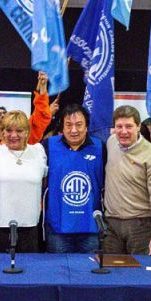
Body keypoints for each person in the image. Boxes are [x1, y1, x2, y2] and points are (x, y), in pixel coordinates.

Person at [41, 104, 106, 253]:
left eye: (79, 124)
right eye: (68, 125)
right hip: (58, 228)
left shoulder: (100, 147)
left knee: (90, 267)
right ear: (62, 127)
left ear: (87, 126)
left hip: (91, 226)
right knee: (58, 267)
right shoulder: (48, 146)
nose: (74, 130)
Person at [103, 105, 151, 256]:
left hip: (141, 227)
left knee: (139, 270)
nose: (123, 131)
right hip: (111, 226)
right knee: (110, 270)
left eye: (129, 126)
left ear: (138, 127)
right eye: (119, 126)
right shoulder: (111, 142)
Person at [0, 110, 48, 253]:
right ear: (2, 132)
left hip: (29, 227)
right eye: (8, 130)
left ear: (27, 132)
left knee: (28, 266)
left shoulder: (38, 152)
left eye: (19, 130)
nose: (13, 135)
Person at [0, 71, 52, 151]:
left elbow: (41, 116)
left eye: (5, 114)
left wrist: (42, 87)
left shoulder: (25, 135)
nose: (2, 116)